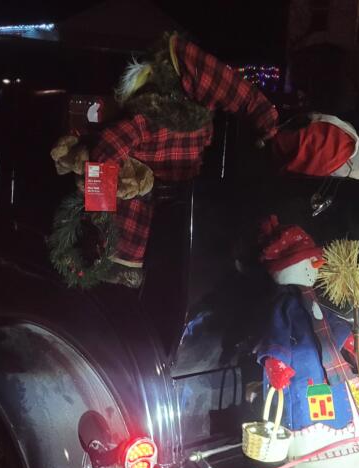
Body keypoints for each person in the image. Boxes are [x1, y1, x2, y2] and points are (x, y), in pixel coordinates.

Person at [88, 32, 279, 287]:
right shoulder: (196, 127)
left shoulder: (145, 120)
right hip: (171, 223)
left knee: (133, 287)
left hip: (140, 229)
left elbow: (103, 154)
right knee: (166, 285)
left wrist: (100, 211)